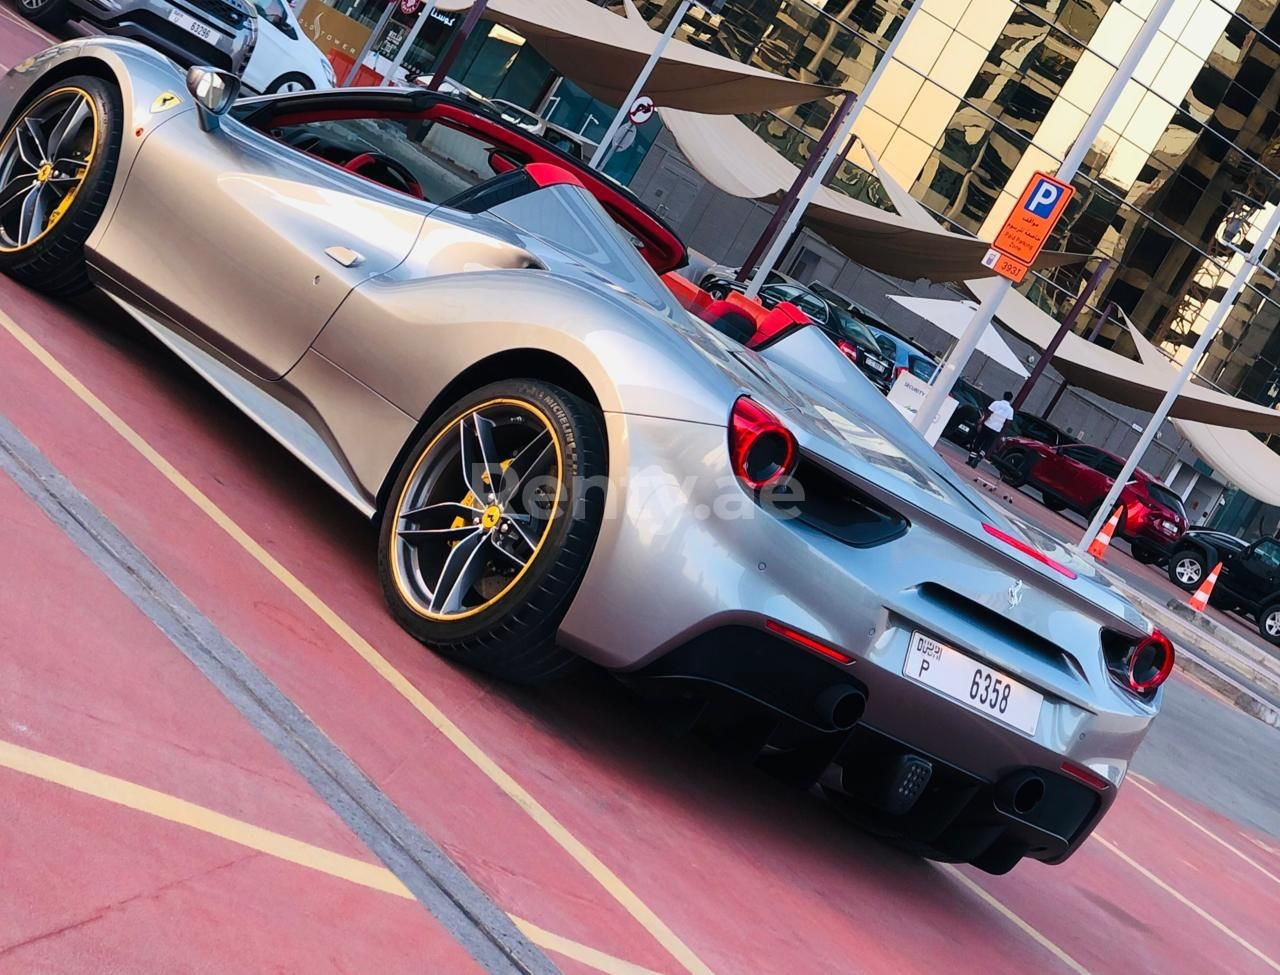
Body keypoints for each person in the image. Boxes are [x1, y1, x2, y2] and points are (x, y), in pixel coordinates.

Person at [967, 391, 1014, 468]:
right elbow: (1008, 423)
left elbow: (988, 413)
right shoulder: (1010, 410)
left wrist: (981, 422)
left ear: (1003, 396)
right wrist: (1001, 433)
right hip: (996, 429)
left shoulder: (996, 403)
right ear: (1010, 399)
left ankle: (970, 459)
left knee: (978, 442)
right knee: (987, 445)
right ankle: (979, 457)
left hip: (987, 425)